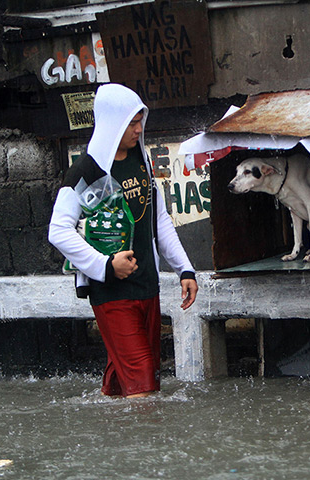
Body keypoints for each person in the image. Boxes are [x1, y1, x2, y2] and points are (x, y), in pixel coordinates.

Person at [48, 83, 198, 398]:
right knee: (144, 385)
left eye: (140, 120)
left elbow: (159, 220)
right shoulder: (85, 172)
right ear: (112, 123)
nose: (139, 128)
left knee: (127, 384)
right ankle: (152, 445)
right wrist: (104, 265)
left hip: (147, 286)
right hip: (112, 293)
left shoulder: (141, 162)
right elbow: (58, 231)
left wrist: (185, 269)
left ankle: (112, 439)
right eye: (131, 122)